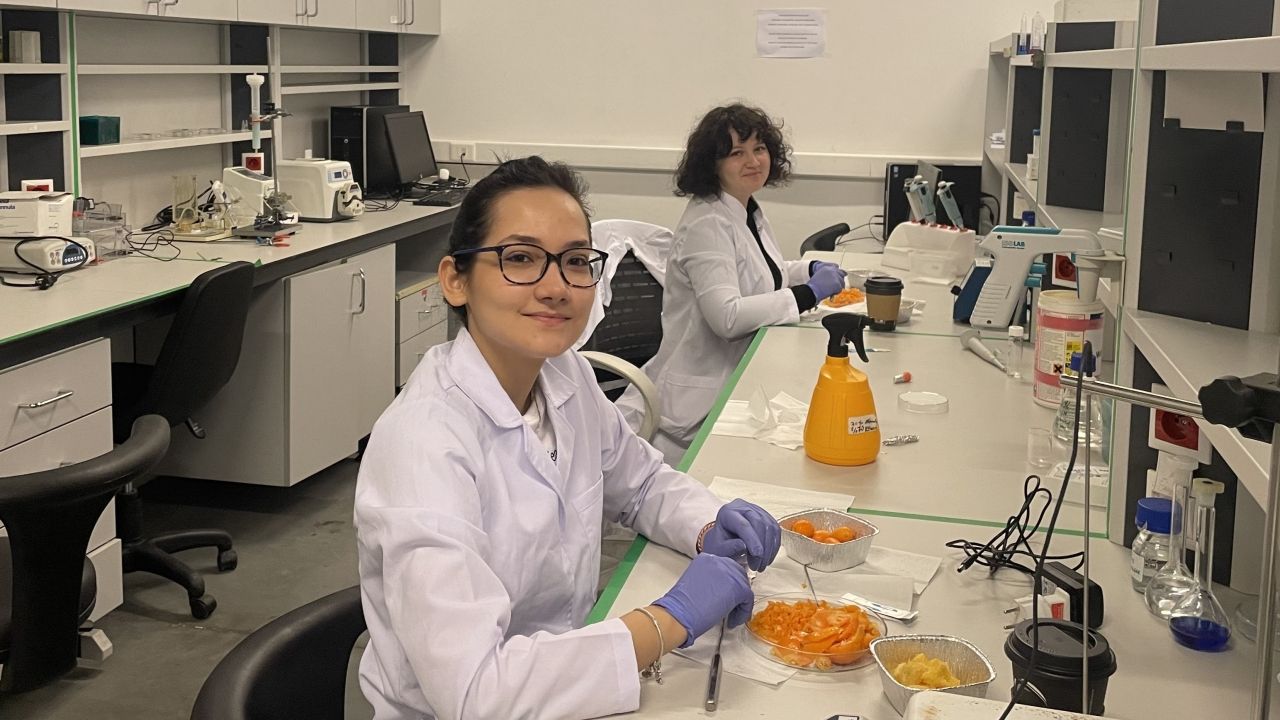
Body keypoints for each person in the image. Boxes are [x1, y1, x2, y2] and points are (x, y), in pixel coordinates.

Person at [354, 156, 782, 720]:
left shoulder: (563, 373)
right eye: (521, 258)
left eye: (576, 261)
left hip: (568, 677)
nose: (557, 287)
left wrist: (707, 525)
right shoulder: (423, 445)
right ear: (456, 280)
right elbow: (477, 692)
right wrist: (671, 619)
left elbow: (640, 484)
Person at [617, 103, 847, 463]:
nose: (753, 161)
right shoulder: (707, 223)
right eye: (737, 153)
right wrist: (808, 293)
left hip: (738, 377)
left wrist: (808, 269)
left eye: (759, 148)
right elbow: (727, 317)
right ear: (713, 164)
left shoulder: (745, 209)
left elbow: (759, 273)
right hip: (697, 406)